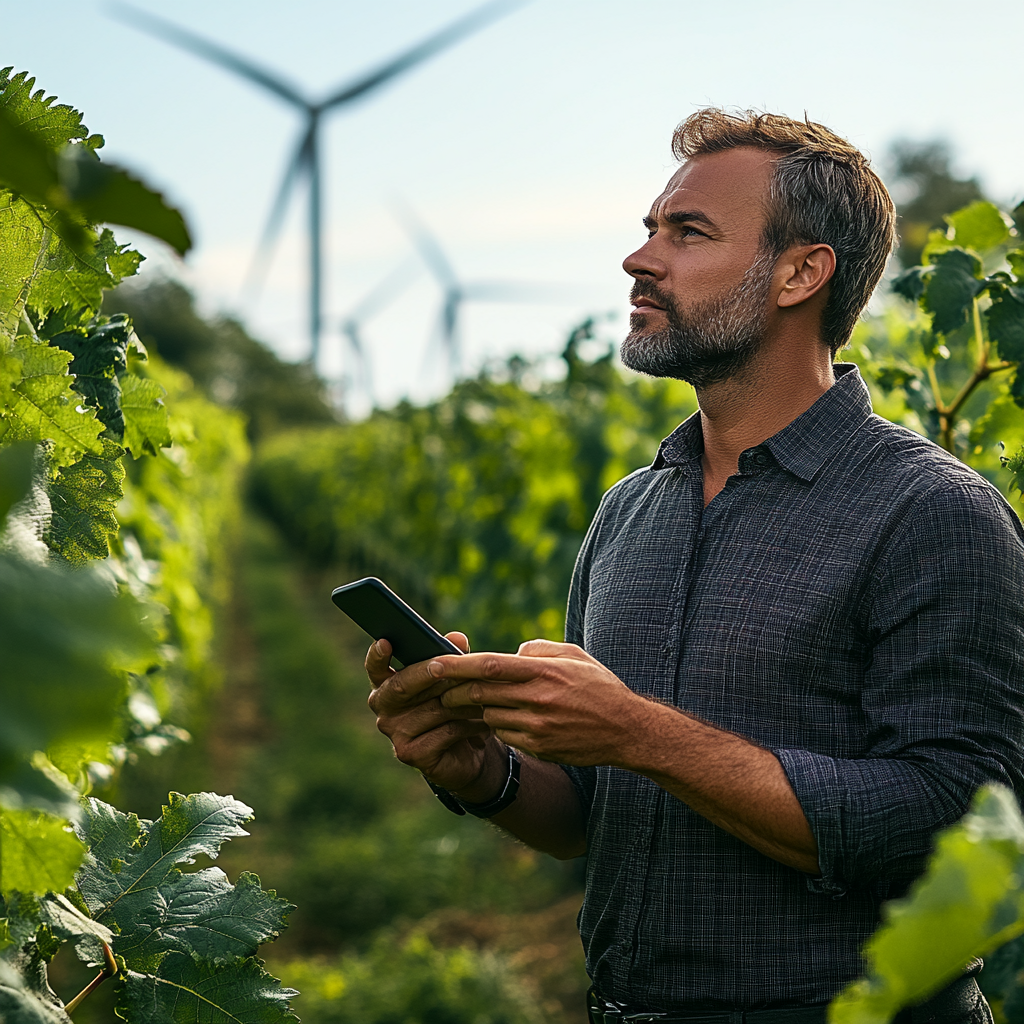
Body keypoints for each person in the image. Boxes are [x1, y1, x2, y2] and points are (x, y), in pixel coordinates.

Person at [365, 109, 1024, 1023]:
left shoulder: (931, 512)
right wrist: (485, 771)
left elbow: (952, 821)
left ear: (802, 273)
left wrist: (638, 731)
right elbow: (597, 817)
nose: (641, 259)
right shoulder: (631, 510)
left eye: (688, 233)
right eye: (648, 229)